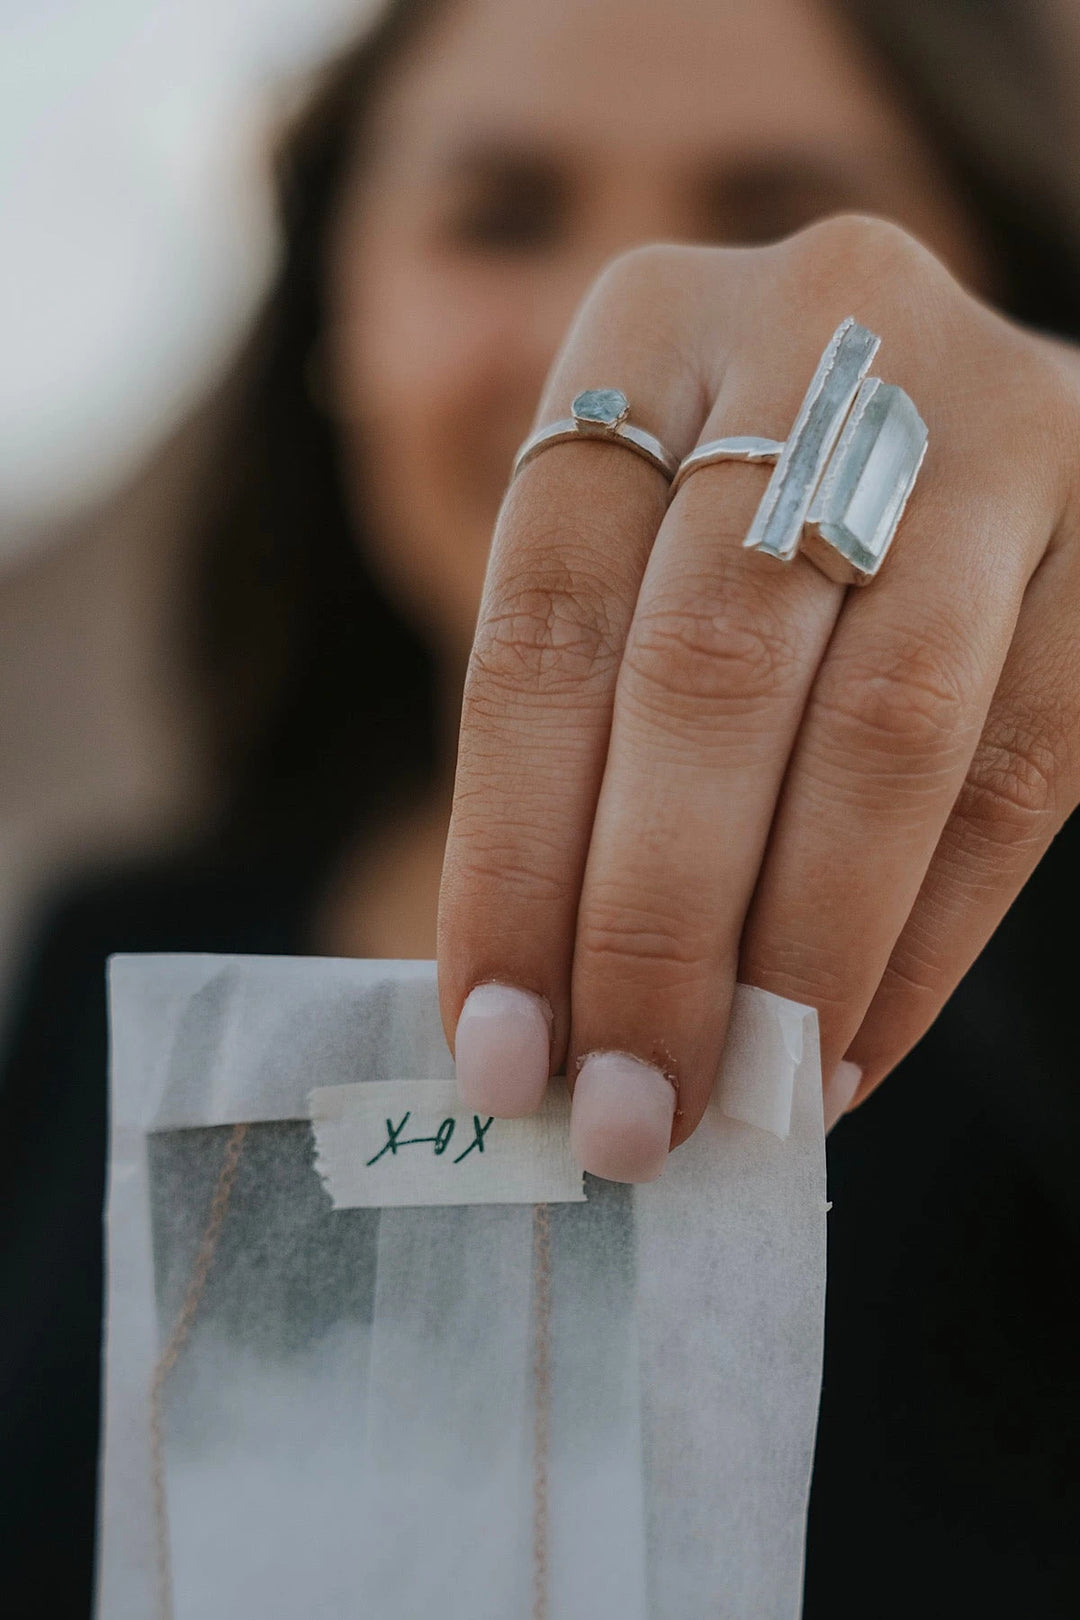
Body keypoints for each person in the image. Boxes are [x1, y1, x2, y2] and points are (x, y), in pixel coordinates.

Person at [2, 0, 1079, 1612]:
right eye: (498, 215)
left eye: (780, 215)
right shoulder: (110, 939)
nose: (621, 327)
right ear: (334, 319)